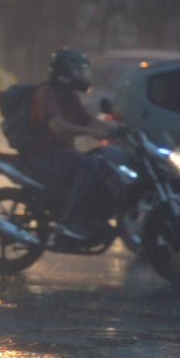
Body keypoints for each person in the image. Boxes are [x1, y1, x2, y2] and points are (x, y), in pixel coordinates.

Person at [23, 48, 118, 240]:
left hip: (60, 153)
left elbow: (88, 119)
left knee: (103, 159)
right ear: (65, 73)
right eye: (79, 71)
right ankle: (71, 220)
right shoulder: (47, 93)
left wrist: (117, 127)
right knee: (88, 165)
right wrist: (92, 132)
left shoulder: (69, 96)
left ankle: (94, 216)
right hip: (43, 154)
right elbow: (59, 127)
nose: (83, 75)